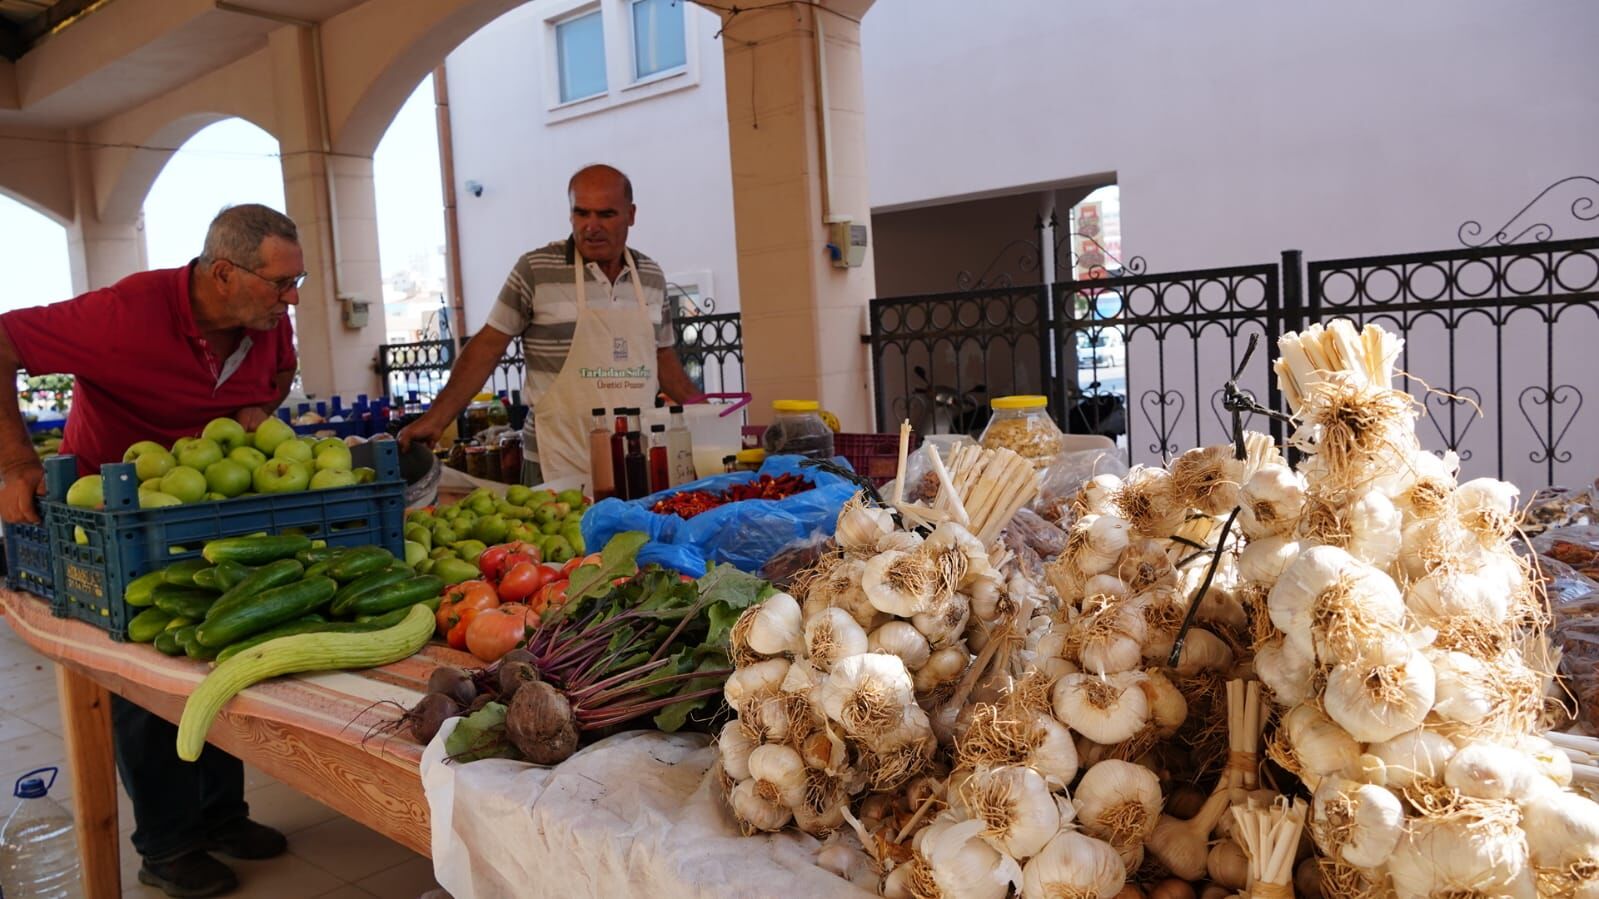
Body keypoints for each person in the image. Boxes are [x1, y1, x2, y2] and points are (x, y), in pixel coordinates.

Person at [0, 204, 302, 898]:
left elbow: (281, 373)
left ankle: (222, 815)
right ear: (223, 273)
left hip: (208, 512)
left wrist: (260, 408)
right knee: (145, 673)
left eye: (297, 282)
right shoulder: (125, 312)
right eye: (280, 283)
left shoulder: (267, 323)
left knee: (219, 651)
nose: (290, 299)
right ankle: (167, 845)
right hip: (113, 521)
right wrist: (15, 462)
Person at [399, 163, 702, 484]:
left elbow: (662, 356)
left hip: (636, 461)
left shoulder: (650, 276)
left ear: (631, 214)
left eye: (606, 214)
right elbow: (488, 347)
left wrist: (707, 412)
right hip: (555, 461)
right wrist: (436, 418)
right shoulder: (536, 270)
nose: (591, 226)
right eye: (581, 213)